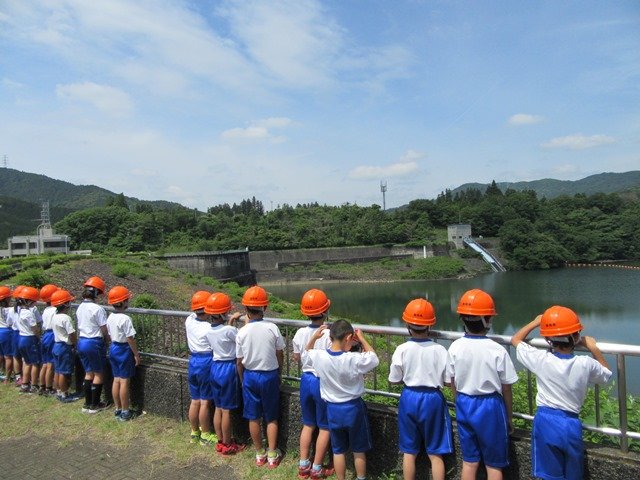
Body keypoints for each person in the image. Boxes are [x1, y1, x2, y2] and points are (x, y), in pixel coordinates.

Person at [511, 306, 612, 480]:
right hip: (570, 423)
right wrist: (593, 348)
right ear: (576, 337)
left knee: (550, 474)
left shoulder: (541, 359)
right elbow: (606, 375)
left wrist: (536, 322)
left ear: (549, 339)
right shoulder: (585, 363)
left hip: (544, 421)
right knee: (573, 473)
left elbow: (516, 339)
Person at [447, 289, 518, 480]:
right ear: (488, 320)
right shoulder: (497, 349)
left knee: (469, 461)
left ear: (463, 319)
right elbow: (506, 387)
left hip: (464, 402)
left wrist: (458, 400)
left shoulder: (455, 347)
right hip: (490, 407)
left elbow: (451, 381)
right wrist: (509, 417)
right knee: (494, 465)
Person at [303, 319, 379, 480]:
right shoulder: (352, 359)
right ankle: (361, 477)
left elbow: (306, 353)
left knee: (338, 450)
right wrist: (363, 339)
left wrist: (315, 338)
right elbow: (373, 358)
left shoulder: (320, 356)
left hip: (332, 409)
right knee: (358, 449)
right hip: (353, 408)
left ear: (330, 338)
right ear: (348, 337)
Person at [389, 299, 454, 480]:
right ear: (431, 324)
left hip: (409, 397)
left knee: (409, 451)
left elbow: (394, 379)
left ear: (407, 324)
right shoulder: (440, 349)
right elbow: (448, 381)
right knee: (436, 452)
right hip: (433, 399)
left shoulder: (402, 349)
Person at [236, 285, 285, 468]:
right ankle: (272, 454)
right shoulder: (272, 328)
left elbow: (239, 361)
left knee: (253, 417)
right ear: (265, 307)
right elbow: (279, 352)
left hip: (250, 376)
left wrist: (242, 379)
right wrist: (279, 371)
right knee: (271, 417)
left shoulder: (241, 332)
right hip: (269, 375)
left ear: (245, 309)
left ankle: (259, 453)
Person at [292, 289, 334, 479]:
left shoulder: (300, 332)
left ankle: (303, 464)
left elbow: (296, 357)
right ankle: (317, 467)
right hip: (321, 381)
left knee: (308, 424)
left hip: (305, 380)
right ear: (325, 310)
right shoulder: (329, 333)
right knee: (324, 426)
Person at [204, 292, 244, 454]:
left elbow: (224, 332)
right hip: (228, 368)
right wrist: (244, 322)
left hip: (215, 367)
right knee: (227, 409)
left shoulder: (208, 330)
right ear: (222, 313)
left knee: (219, 407)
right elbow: (240, 337)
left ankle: (221, 440)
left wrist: (231, 321)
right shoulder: (229, 331)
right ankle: (228, 444)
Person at [185, 290, 217, 445]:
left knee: (195, 400)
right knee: (205, 401)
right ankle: (205, 434)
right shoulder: (208, 328)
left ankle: (194, 432)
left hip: (193, 361)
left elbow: (195, 312)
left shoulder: (189, 320)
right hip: (206, 362)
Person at [76, 276, 110, 413]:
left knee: (88, 373)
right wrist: (107, 340)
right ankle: (95, 405)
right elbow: (104, 329)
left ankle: (87, 403)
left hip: (82, 341)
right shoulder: (98, 309)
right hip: (94, 342)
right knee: (99, 373)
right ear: (96, 293)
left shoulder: (79, 308)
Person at [106, 286, 141, 421]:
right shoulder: (125, 319)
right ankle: (126, 412)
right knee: (124, 381)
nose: (128, 302)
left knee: (116, 379)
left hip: (113, 347)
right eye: (127, 299)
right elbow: (130, 338)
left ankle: (118, 409)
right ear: (123, 302)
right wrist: (136, 355)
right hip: (123, 350)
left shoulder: (110, 317)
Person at [50, 289, 78, 402]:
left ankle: (58, 391)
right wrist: (75, 344)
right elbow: (71, 333)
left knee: (57, 370)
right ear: (65, 304)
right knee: (64, 372)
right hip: (64, 347)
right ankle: (65, 394)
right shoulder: (66, 318)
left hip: (56, 345)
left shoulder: (54, 316)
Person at [17, 286, 43, 393]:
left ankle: (24, 384)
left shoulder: (20, 311)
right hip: (30, 339)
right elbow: (35, 329)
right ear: (29, 301)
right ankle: (34, 385)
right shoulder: (29, 313)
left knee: (27, 362)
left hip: (21, 338)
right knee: (35, 363)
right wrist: (39, 337)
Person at [38, 284, 59, 395]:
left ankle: (42, 386)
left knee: (45, 363)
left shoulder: (46, 309)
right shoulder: (55, 309)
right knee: (51, 363)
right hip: (52, 335)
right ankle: (50, 388)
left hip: (45, 335)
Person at [9, 286, 25, 386]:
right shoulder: (29, 309)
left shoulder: (12, 309)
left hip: (15, 333)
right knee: (25, 357)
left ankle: (18, 376)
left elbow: (9, 322)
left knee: (16, 356)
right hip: (24, 334)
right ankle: (26, 377)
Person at [0, 286, 14, 383]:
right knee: (8, 356)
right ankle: (7, 378)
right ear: (6, 298)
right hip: (6, 332)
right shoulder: (10, 310)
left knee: (0, 355)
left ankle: (1, 373)